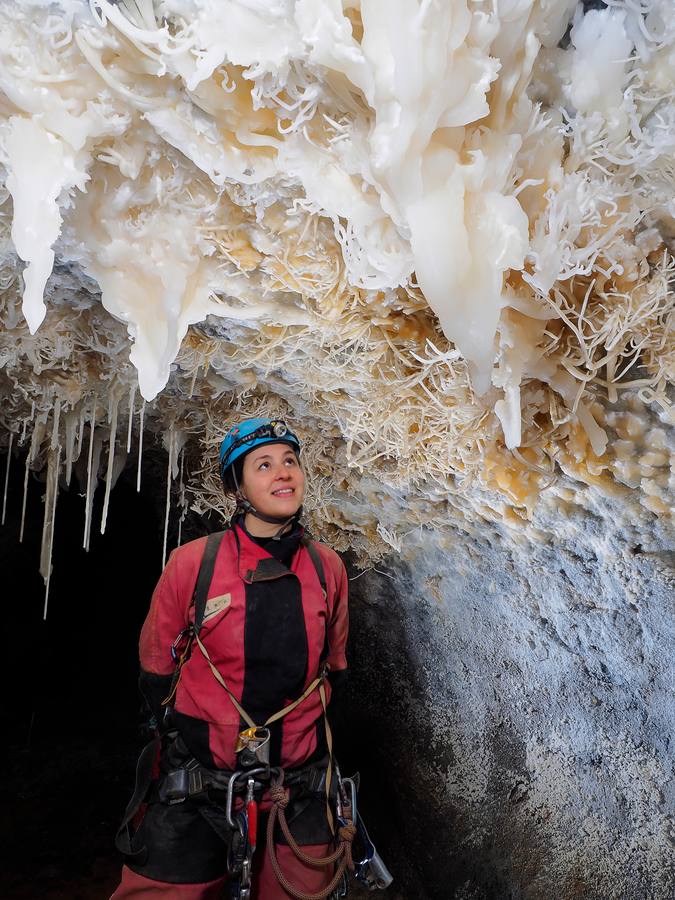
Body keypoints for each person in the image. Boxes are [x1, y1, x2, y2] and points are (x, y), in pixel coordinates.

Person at [111, 417, 350, 899]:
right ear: (238, 489)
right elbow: (156, 668)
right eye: (263, 465)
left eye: (289, 461)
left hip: (296, 790)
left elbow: (335, 670)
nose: (283, 473)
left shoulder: (328, 569)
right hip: (199, 785)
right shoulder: (192, 565)